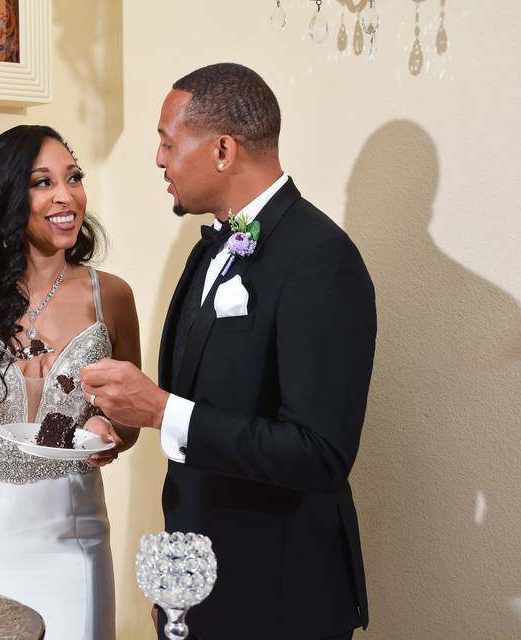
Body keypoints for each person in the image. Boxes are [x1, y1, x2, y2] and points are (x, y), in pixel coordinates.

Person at [80, 63, 376, 640]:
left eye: (168, 143)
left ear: (221, 150)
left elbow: (319, 454)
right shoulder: (207, 249)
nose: (160, 160)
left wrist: (163, 410)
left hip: (281, 597)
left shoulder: (322, 259)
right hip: (197, 593)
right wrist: (175, 590)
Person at [0, 125, 141, 639]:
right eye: (43, 182)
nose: (66, 195)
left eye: (74, 178)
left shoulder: (112, 296)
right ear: (6, 196)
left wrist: (108, 427)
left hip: (73, 529)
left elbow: (131, 418)